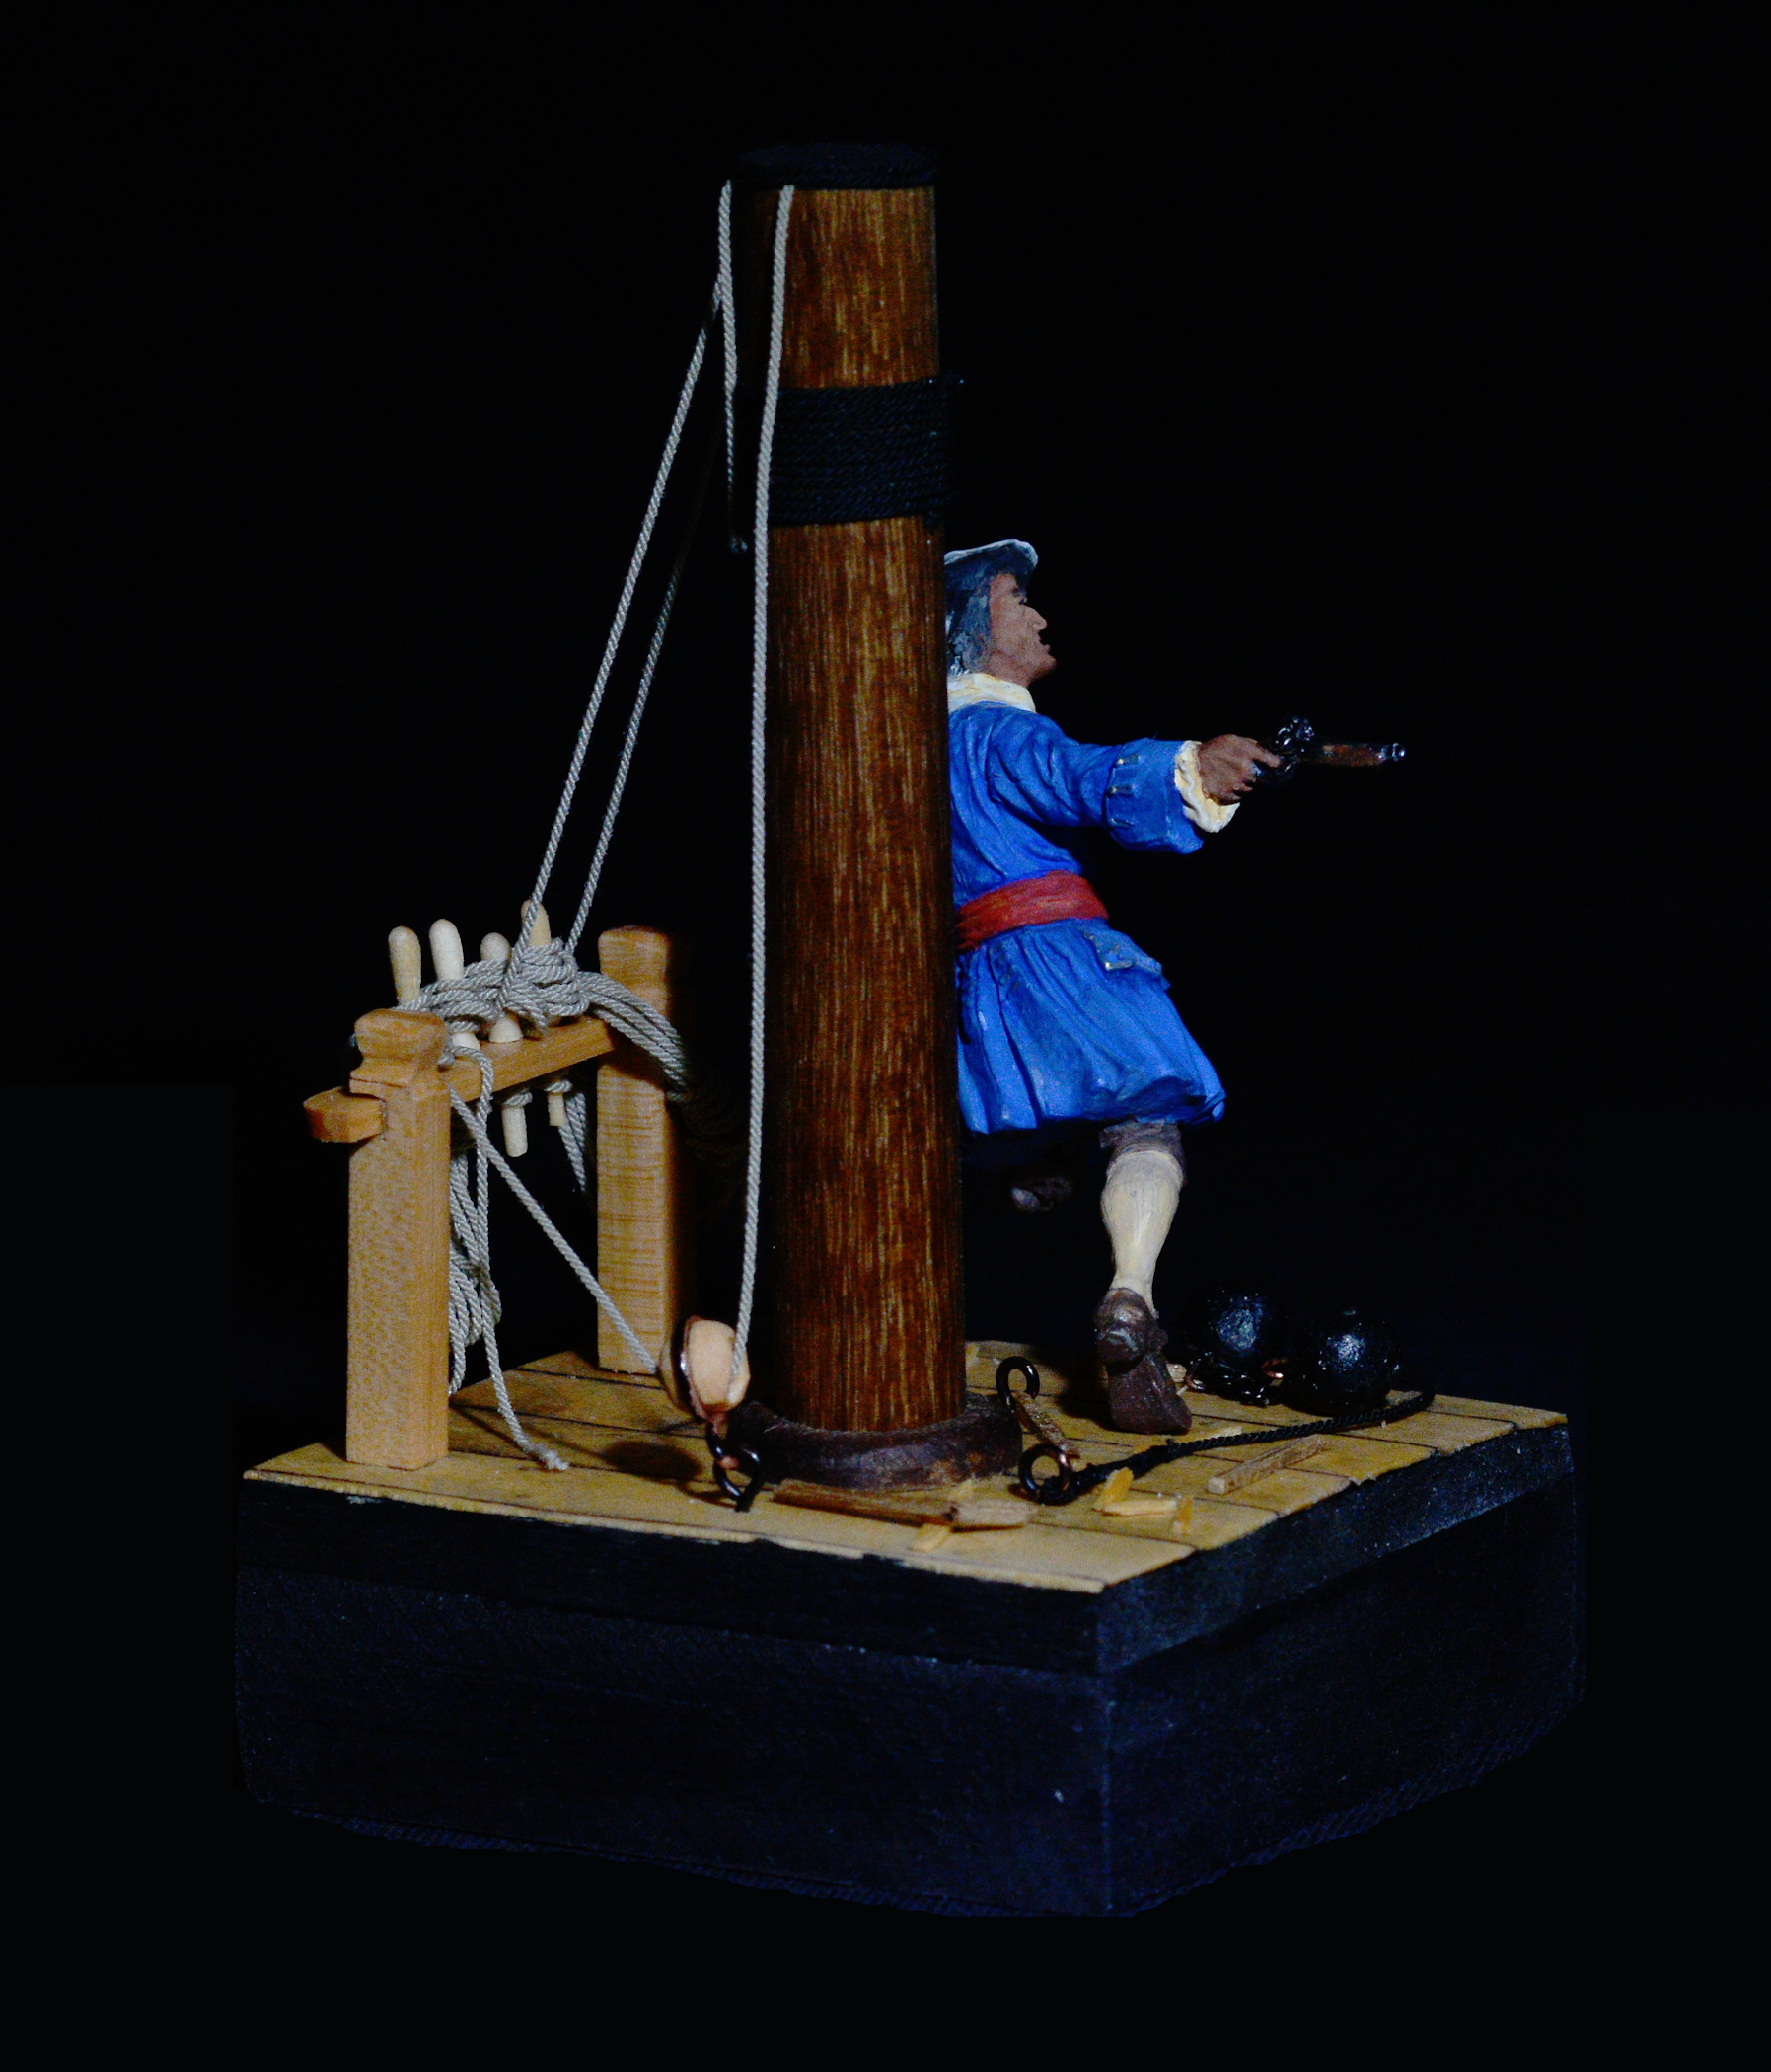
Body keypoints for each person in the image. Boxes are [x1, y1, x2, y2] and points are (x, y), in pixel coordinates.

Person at [945, 539, 1280, 1431]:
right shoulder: (995, 731)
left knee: (1016, 1126)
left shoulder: (918, 751)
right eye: (1015, 601)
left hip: (978, 977)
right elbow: (1080, 779)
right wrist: (1190, 766)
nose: (1037, 616)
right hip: (1056, 956)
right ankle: (1130, 1296)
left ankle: (1041, 1167)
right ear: (971, 629)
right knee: (1146, 1122)